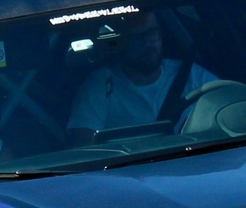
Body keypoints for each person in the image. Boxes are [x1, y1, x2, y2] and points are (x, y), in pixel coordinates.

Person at [66, 9, 219, 144]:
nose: (149, 44)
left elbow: (232, 108)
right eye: (135, 38)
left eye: (152, 33)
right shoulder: (101, 85)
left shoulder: (190, 74)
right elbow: (83, 147)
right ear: (120, 43)